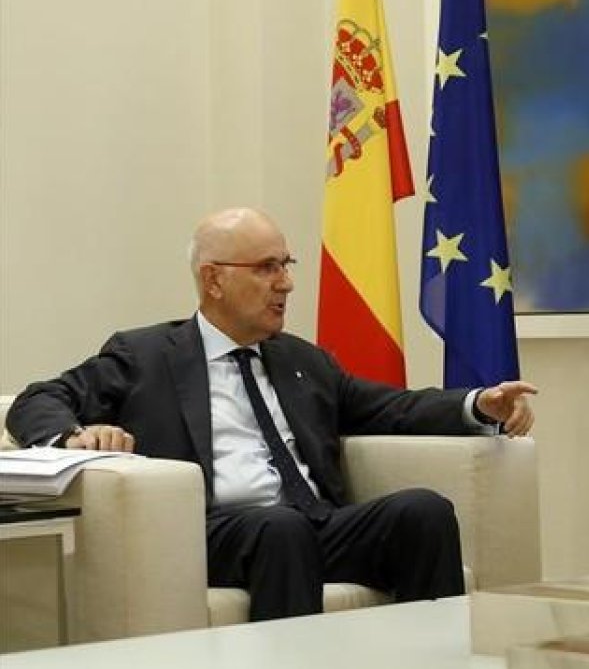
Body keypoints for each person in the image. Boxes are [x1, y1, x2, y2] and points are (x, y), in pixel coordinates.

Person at [5, 207, 538, 620]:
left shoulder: (302, 360)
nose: (285, 282)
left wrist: (477, 404)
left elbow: (390, 408)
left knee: (422, 511)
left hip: (313, 523)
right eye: (266, 268)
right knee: (279, 528)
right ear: (213, 280)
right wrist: (74, 436)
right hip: (213, 532)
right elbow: (38, 400)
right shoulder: (144, 355)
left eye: (286, 265)